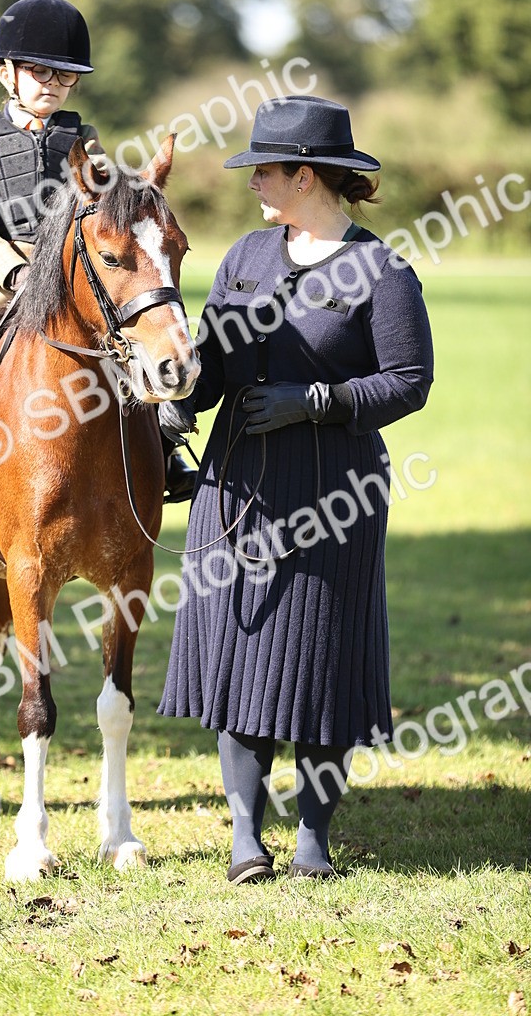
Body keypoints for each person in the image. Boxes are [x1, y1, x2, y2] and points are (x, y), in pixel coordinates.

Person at [157, 94, 434, 883]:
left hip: (332, 500)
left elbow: (410, 381)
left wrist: (317, 401)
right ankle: (246, 836)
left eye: (265, 171)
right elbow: (212, 365)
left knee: (320, 666)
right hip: (235, 488)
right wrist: (179, 395)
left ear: (305, 176)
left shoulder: (381, 272)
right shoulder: (245, 256)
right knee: (241, 658)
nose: (252, 183)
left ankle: (314, 837)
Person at [0, 0, 197, 502]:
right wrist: (11, 270)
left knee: (123, 339)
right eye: (40, 72)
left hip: (70, 276)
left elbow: (107, 198)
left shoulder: (84, 136)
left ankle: (163, 447)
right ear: (6, 72)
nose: (54, 85)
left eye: (66, 75)